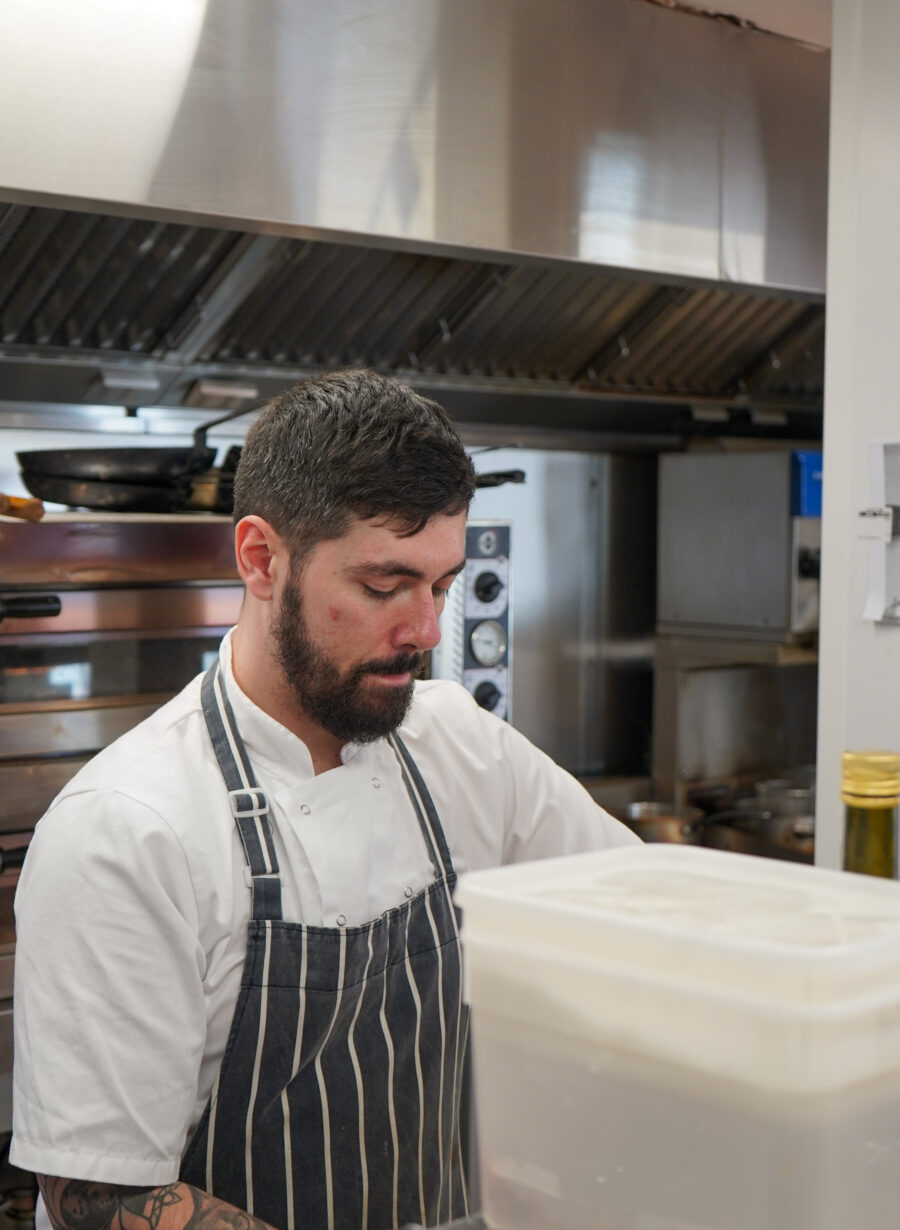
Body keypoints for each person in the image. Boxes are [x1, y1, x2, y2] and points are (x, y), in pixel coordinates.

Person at [11, 370, 640, 1230]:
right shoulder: (126, 832)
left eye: (441, 586)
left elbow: (647, 919)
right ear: (261, 560)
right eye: (383, 587)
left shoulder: (462, 746)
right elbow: (100, 1198)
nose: (425, 630)